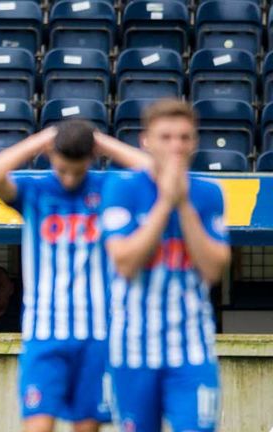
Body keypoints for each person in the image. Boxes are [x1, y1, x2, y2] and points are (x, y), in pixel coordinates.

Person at [0, 120, 151, 432]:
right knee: (38, 426)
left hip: (98, 333)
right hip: (44, 333)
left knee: (86, 427)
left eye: (78, 170)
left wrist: (99, 141)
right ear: (51, 155)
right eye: (63, 168)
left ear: (91, 159)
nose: (70, 178)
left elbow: (157, 174)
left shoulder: (108, 187)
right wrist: (44, 138)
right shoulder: (35, 189)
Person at [101, 99, 230, 432]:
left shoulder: (209, 193)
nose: (177, 145)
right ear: (146, 141)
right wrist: (164, 203)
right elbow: (126, 262)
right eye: (167, 137)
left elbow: (214, 270)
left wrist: (184, 204)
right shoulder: (123, 187)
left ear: (195, 141)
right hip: (132, 348)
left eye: (184, 137)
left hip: (192, 349)